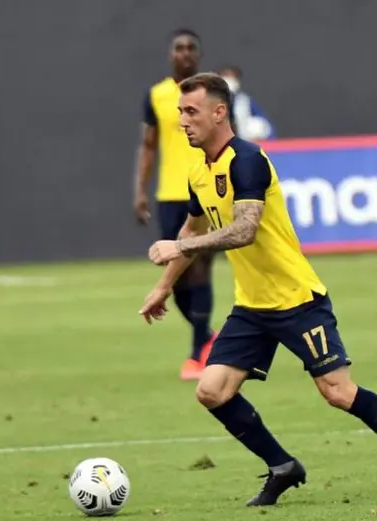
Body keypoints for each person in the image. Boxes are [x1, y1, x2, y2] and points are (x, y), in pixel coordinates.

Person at [140, 73, 377, 506]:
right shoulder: (197, 168)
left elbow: (244, 230)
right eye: (179, 112)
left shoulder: (247, 160)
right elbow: (192, 226)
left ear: (219, 112)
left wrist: (180, 245)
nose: (182, 121)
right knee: (211, 390)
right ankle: (282, 466)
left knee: (338, 392)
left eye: (190, 111)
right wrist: (163, 286)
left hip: (297, 300)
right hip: (252, 307)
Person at [134, 28, 217, 380]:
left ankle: (198, 352)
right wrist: (139, 188)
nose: (185, 53)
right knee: (176, 275)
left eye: (191, 48)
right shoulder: (156, 96)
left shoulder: (211, 93)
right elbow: (149, 145)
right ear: (171, 55)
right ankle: (208, 337)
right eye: (179, 48)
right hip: (170, 194)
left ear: (198, 55)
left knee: (199, 267)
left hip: (205, 189)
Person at [219, 66, 275, 142]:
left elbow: (266, 125)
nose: (229, 80)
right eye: (226, 76)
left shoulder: (244, 101)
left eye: (232, 77)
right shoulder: (210, 100)